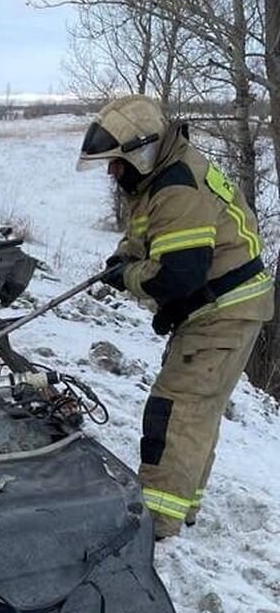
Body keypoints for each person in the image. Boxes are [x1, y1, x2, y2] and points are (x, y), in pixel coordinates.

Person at [78, 94, 274, 539]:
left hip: (223, 310)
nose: (112, 171)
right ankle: (181, 507)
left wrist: (127, 276)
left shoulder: (176, 186)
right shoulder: (160, 177)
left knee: (176, 408)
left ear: (140, 151)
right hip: (231, 307)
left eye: (116, 162)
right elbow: (152, 235)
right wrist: (124, 256)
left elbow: (176, 276)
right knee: (196, 411)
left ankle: (157, 521)